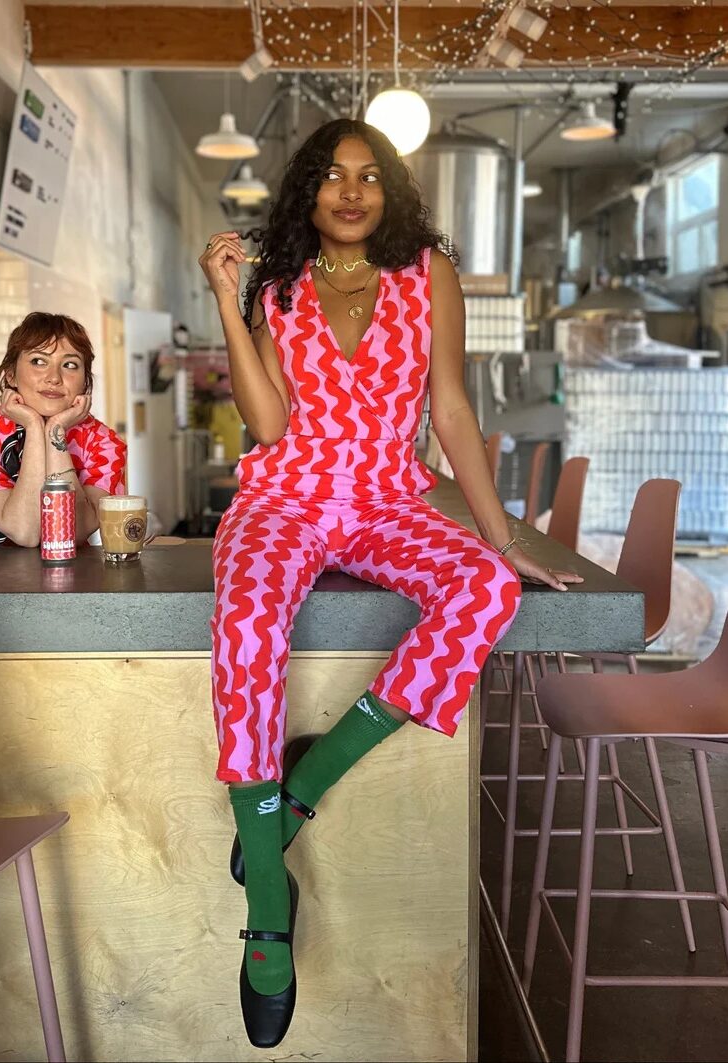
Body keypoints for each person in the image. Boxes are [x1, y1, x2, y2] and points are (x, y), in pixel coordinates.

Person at [199, 118, 583, 1048]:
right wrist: (226, 300)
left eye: (369, 177)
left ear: (389, 192)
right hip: (284, 496)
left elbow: (450, 406)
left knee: (485, 589)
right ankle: (267, 906)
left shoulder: (426, 273)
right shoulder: (277, 284)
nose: (351, 191)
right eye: (332, 175)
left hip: (382, 497)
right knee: (248, 619)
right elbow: (263, 421)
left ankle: (308, 781)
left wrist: (502, 538)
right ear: (308, 192)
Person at [0, 312, 127, 547]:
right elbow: (24, 531)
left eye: (70, 365)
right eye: (38, 361)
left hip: (66, 571)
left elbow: (71, 533)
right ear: (11, 374)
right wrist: (33, 425)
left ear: (85, 382)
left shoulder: (105, 443)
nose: (54, 378)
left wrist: (55, 430)